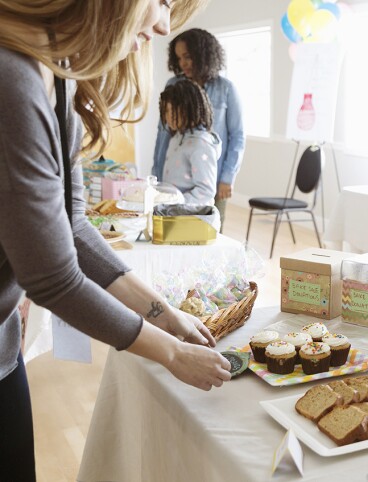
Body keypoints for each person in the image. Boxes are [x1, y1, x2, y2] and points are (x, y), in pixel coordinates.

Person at [0, 1, 231, 480]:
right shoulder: (10, 78)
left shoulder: (57, 75)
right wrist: (171, 352)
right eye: (162, 2)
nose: (165, 26)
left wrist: (166, 315)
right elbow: (53, 279)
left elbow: (74, 228)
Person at [153, 28, 245, 231]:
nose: (182, 63)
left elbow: (237, 136)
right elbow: (163, 134)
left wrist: (227, 178)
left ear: (203, 55)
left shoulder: (225, 88)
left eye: (187, 56)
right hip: (175, 177)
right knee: (173, 230)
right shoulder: (174, 84)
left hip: (213, 174)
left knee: (208, 229)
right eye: (178, 58)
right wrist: (157, 176)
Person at [159, 79, 222, 205]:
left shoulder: (201, 145)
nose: (168, 117)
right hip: (174, 213)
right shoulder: (176, 138)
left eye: (174, 111)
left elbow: (206, 191)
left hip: (191, 217)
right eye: (166, 111)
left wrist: (176, 203)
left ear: (190, 109)